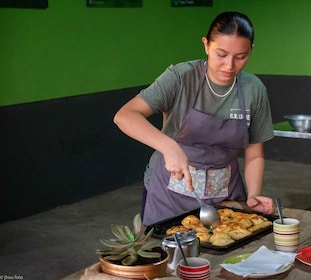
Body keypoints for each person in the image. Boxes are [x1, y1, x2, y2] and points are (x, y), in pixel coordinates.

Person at [114, 11, 275, 226]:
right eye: (221, 54)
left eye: (240, 57)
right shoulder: (181, 78)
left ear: (250, 51)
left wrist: (253, 196)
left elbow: (254, 154)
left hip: (226, 197)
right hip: (169, 197)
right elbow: (125, 116)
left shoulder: (254, 90)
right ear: (206, 45)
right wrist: (168, 146)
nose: (229, 65)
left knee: (226, 255)